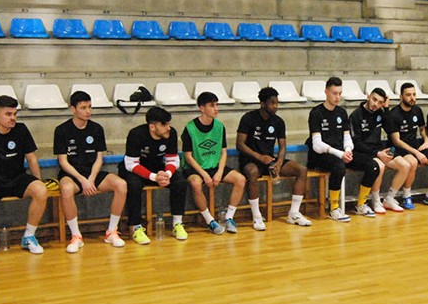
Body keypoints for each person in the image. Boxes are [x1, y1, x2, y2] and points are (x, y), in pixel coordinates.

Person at [0, 95, 48, 258]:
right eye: (8, 114)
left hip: (17, 179)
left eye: (15, 114)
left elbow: (32, 159)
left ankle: (29, 236)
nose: (13, 118)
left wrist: (38, 180)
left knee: (41, 190)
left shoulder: (21, 129)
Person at [53, 90, 128, 253]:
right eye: (83, 108)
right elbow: (63, 161)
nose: (88, 111)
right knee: (66, 189)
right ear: (73, 109)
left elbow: (99, 158)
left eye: (90, 107)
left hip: (93, 173)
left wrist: (91, 179)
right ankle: (76, 236)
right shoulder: (61, 130)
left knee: (121, 185)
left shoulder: (96, 129)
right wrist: (82, 180)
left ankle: (111, 232)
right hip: (72, 175)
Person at [236, 87, 312, 230]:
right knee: (252, 173)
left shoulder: (278, 122)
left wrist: (279, 163)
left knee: (301, 170)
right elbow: (240, 144)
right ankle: (257, 216)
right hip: (251, 160)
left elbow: (282, 146)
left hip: (270, 160)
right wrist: (259, 157)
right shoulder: (248, 118)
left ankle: (293, 213)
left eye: (277, 103)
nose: (275, 106)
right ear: (262, 103)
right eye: (272, 103)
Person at [306, 77, 374, 222]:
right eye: (334, 93)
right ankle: (334, 208)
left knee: (372, 165)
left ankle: (361, 204)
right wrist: (340, 154)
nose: (338, 97)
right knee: (339, 166)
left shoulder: (342, 113)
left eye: (340, 93)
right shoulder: (316, 113)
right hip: (321, 155)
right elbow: (317, 145)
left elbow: (347, 137)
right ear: (326, 92)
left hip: (341, 153)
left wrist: (348, 150)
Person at [118, 106, 188, 241]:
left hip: (158, 168)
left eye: (168, 124)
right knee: (133, 186)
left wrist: (167, 174)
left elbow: (173, 160)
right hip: (135, 169)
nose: (168, 128)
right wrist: (154, 177)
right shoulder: (136, 134)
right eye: (164, 124)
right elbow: (131, 164)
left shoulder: (171, 133)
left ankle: (177, 223)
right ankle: (136, 227)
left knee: (180, 181)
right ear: (152, 127)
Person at [182, 92, 247, 234]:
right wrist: (204, 174)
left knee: (240, 179)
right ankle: (210, 220)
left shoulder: (219, 126)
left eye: (217, 105)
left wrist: (219, 172)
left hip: (215, 166)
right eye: (212, 105)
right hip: (196, 168)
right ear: (201, 108)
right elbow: (188, 156)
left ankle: (229, 218)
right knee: (195, 183)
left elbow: (224, 152)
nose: (216, 108)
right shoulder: (190, 128)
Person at [383, 82, 428, 209]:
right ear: (401, 97)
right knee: (413, 162)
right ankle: (406, 196)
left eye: (414, 94)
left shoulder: (417, 110)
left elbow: (422, 129)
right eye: (408, 95)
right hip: (400, 148)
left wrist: (426, 140)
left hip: (416, 145)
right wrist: (416, 153)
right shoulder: (394, 114)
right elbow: (397, 141)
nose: (412, 98)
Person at [349, 87, 412, 213]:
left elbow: (391, 129)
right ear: (368, 97)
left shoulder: (380, 112)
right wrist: (377, 154)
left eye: (380, 102)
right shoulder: (356, 115)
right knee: (380, 166)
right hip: (363, 152)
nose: (375, 104)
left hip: (379, 149)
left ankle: (389, 198)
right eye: (374, 99)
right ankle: (376, 200)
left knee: (405, 166)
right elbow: (356, 143)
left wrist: (386, 109)